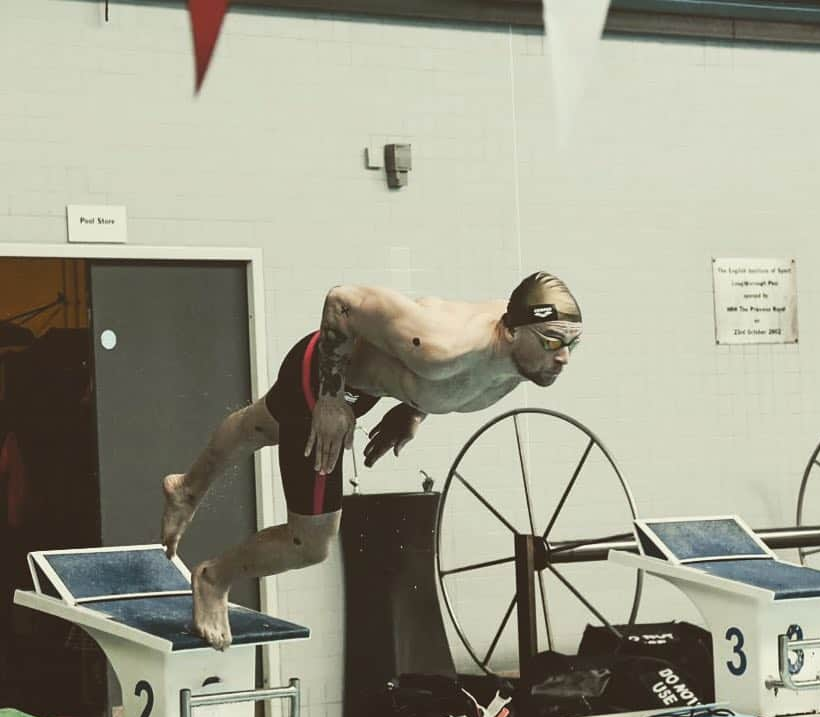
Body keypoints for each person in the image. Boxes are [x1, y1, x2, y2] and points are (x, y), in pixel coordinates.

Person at [161, 271, 582, 650]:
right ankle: (214, 578)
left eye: (571, 343)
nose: (563, 356)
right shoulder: (440, 343)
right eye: (552, 342)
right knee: (309, 545)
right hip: (324, 384)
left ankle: (186, 488)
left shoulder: (526, 359)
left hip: (361, 390)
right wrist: (328, 399)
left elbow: (457, 384)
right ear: (510, 331)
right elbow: (342, 301)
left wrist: (414, 409)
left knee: (260, 425)